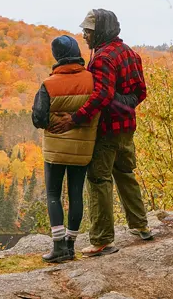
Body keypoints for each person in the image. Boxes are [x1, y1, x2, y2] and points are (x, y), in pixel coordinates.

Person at [48, 9, 152, 258]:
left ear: (101, 31)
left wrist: (74, 119)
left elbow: (102, 96)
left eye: (88, 31)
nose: (84, 36)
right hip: (127, 129)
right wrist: (124, 106)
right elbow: (140, 92)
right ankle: (141, 227)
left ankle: (102, 241)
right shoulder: (130, 53)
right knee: (125, 174)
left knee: (98, 180)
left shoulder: (103, 58)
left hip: (106, 131)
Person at [31, 35, 98, 263]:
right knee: (76, 194)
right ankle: (71, 246)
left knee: (53, 194)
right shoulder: (92, 80)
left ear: (57, 56)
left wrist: (51, 120)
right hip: (83, 146)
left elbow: (38, 119)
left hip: (55, 147)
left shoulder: (48, 84)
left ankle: (58, 246)